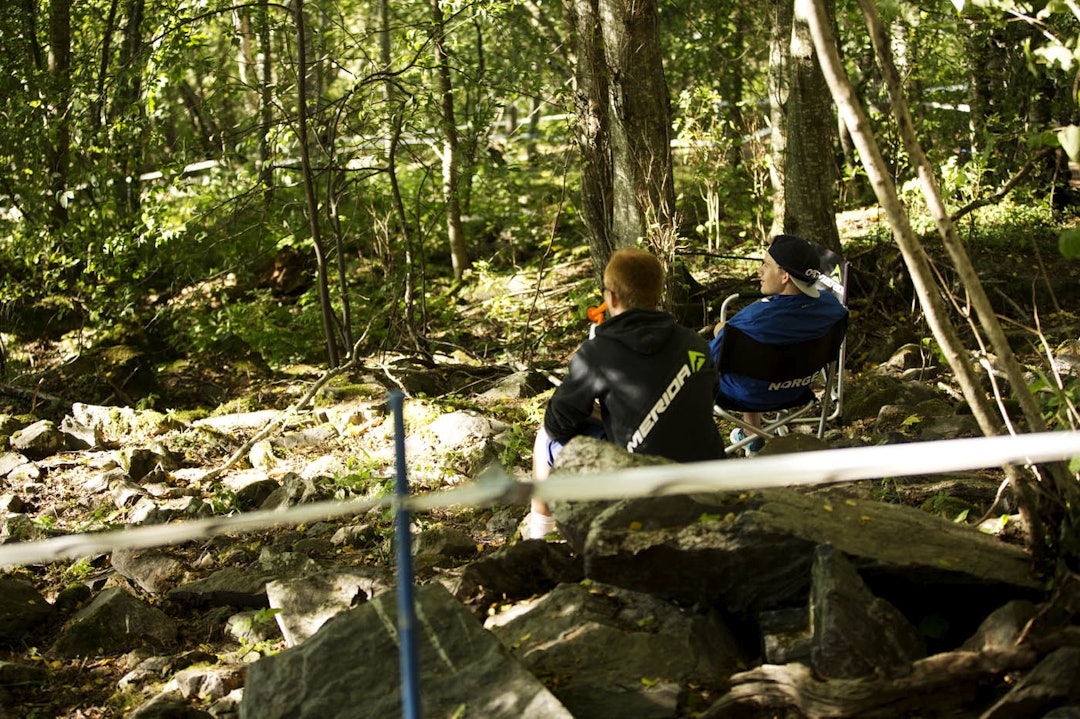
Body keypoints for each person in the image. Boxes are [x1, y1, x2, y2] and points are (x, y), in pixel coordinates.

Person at [526, 247, 725, 539]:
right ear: (658, 293)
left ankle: (538, 539)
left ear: (612, 297)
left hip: (640, 480)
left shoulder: (597, 353)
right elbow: (710, 396)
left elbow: (557, 424)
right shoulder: (694, 343)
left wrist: (589, 377)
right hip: (710, 475)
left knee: (543, 438)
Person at [710, 234, 848, 455]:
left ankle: (748, 437)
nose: (760, 271)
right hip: (796, 389)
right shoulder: (834, 310)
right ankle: (752, 436)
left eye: (766, 265)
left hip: (746, 395)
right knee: (756, 360)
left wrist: (721, 330)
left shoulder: (752, 319)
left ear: (785, 276)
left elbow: (713, 360)